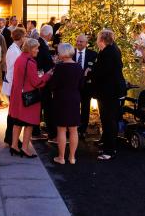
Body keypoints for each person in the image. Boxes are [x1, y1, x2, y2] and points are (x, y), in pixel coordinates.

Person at [9, 38, 53, 158]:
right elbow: (36, 83)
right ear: (30, 48)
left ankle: (14, 146)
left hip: (18, 95)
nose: (38, 50)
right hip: (28, 97)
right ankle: (25, 148)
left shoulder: (20, 58)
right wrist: (47, 75)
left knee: (17, 122)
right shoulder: (30, 62)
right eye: (36, 48)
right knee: (29, 123)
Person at [46, 43, 84, 164]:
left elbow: (53, 85)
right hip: (74, 98)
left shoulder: (59, 68)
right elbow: (81, 85)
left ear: (62, 53)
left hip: (61, 99)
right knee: (74, 129)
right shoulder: (78, 67)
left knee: (61, 129)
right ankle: (72, 157)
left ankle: (61, 157)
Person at [91, 29, 125, 161]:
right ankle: (107, 143)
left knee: (108, 119)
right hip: (111, 91)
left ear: (102, 40)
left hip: (109, 92)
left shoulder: (107, 53)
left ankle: (109, 150)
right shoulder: (113, 50)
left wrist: (91, 71)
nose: (97, 42)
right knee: (109, 119)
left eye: (98, 39)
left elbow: (102, 72)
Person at [3, 27, 26, 145]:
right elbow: (14, 69)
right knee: (13, 113)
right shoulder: (13, 50)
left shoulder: (15, 49)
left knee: (13, 112)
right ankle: (11, 137)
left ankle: (10, 137)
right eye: (24, 36)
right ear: (21, 37)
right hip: (13, 85)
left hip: (14, 84)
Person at [75, 34, 98, 139]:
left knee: (85, 107)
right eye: (78, 41)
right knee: (74, 107)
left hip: (86, 86)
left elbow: (96, 68)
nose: (79, 43)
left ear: (86, 43)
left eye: (81, 41)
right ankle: (73, 127)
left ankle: (83, 129)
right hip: (73, 86)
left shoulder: (93, 54)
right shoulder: (70, 53)